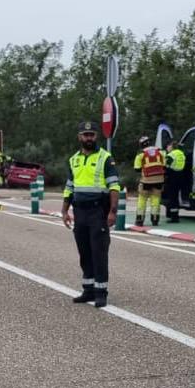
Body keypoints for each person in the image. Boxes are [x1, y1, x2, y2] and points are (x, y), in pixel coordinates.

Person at [61, 121, 120, 308]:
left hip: (98, 211)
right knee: (84, 252)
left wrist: (112, 212)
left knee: (99, 252)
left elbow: (114, 186)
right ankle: (88, 290)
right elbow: (69, 187)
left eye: (92, 134)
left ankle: (101, 292)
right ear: (79, 137)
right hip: (80, 212)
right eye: (85, 134)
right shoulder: (74, 160)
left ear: (96, 136)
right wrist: (64, 210)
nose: (88, 138)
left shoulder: (105, 158)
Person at [132, 136, 166, 227]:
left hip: (146, 181)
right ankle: (155, 219)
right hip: (159, 180)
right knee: (155, 199)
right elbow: (165, 166)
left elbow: (137, 169)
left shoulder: (141, 154)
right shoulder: (160, 152)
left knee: (142, 199)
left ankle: (139, 220)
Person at [163, 140, 188, 223]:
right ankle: (175, 215)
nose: (167, 148)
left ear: (171, 146)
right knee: (176, 197)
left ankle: (173, 217)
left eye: (168, 146)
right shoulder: (181, 153)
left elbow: (165, 167)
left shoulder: (171, 155)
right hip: (181, 176)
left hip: (172, 176)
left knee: (172, 197)